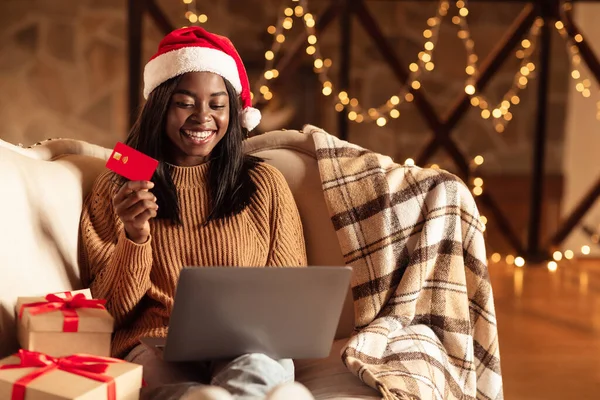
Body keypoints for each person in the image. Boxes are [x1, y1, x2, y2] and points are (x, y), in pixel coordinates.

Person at [78, 26, 311, 400]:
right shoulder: (116, 186)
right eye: (185, 103)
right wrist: (135, 237)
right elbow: (107, 315)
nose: (202, 117)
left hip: (247, 346)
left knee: (259, 372)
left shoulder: (264, 183)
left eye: (217, 105)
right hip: (155, 344)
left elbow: (291, 297)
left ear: (232, 112)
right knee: (190, 391)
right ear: (161, 105)